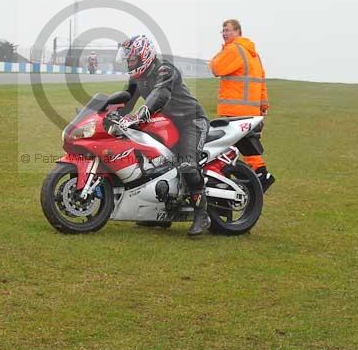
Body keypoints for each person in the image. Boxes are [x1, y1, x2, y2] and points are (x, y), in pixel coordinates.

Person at [117, 35, 211, 236]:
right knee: (151, 162)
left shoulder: (165, 69)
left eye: (132, 59)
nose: (128, 62)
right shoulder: (137, 77)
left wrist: (140, 115)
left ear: (144, 56)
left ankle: (202, 214)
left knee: (187, 165)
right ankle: (158, 213)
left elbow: (160, 94)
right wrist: (108, 114)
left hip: (190, 121)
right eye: (127, 59)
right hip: (165, 124)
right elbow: (127, 100)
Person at [209, 19, 274, 192]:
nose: (224, 34)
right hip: (250, 109)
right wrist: (263, 106)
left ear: (238, 32)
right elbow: (261, 81)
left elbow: (216, 68)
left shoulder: (233, 50)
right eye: (222, 30)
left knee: (226, 147)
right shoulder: (253, 54)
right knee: (247, 146)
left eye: (228, 30)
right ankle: (260, 176)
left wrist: (222, 50)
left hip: (234, 110)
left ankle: (229, 179)